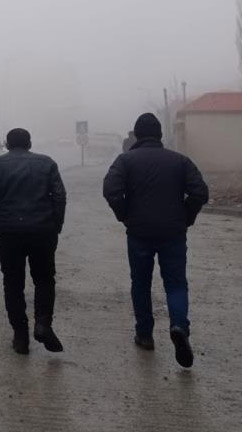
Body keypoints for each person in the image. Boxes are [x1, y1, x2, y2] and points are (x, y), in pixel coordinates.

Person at [102, 113, 208, 368]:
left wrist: (124, 214)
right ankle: (179, 325)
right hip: (173, 231)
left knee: (140, 283)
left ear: (136, 135)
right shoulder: (180, 161)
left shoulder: (125, 161)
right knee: (175, 283)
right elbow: (200, 192)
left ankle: (145, 334)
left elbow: (111, 190)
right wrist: (186, 216)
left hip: (139, 232)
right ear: (160, 134)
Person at [0, 128, 67, 355]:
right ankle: (43, 324)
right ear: (29, 143)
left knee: (12, 283)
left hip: (9, 233)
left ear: (7, 144)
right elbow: (59, 196)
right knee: (45, 280)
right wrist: (55, 226)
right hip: (42, 231)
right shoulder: (47, 163)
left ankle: (20, 336)